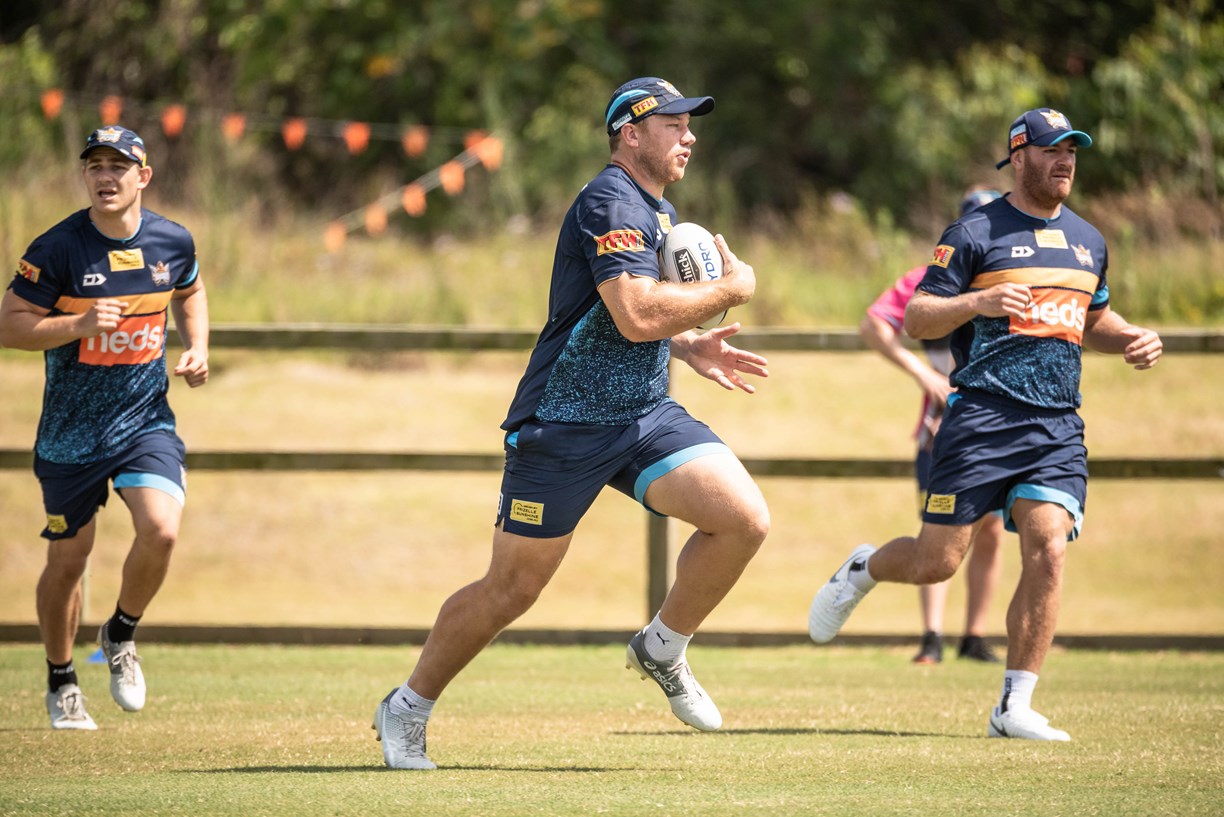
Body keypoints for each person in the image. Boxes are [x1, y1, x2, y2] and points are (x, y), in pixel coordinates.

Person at [371, 76, 770, 770]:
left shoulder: (658, 210)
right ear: (630, 134)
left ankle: (663, 646)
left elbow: (625, 313)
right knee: (511, 589)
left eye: (689, 125)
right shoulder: (610, 202)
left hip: (641, 415)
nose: (689, 137)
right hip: (563, 423)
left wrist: (688, 344)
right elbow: (635, 313)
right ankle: (406, 707)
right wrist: (731, 290)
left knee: (743, 519)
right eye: (673, 125)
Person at [809, 108, 1163, 741]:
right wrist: (979, 301)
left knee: (1048, 547)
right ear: (1018, 158)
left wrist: (1132, 336)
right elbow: (917, 317)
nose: (1065, 161)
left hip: (1057, 426)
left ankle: (1013, 706)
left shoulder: (1089, 240)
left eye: (1072, 151)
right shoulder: (974, 231)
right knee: (936, 563)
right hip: (981, 419)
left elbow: (1094, 321)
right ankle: (864, 568)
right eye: (1052, 150)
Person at [0, 125, 210, 730]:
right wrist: (80, 324)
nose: (106, 177)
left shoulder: (173, 240)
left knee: (161, 531)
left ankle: (120, 633)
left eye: (119, 166)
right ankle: (61, 678)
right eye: (95, 166)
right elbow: (10, 325)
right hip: (71, 435)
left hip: (145, 420)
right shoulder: (57, 249)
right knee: (69, 561)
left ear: (143, 177)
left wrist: (197, 346)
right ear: (85, 176)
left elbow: (190, 290)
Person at [859, 188, 1006, 665]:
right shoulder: (930, 279)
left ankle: (975, 636)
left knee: (991, 530)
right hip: (942, 426)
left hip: (998, 423)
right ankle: (932, 637)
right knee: (937, 527)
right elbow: (873, 325)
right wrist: (923, 374)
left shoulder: (1013, 278)